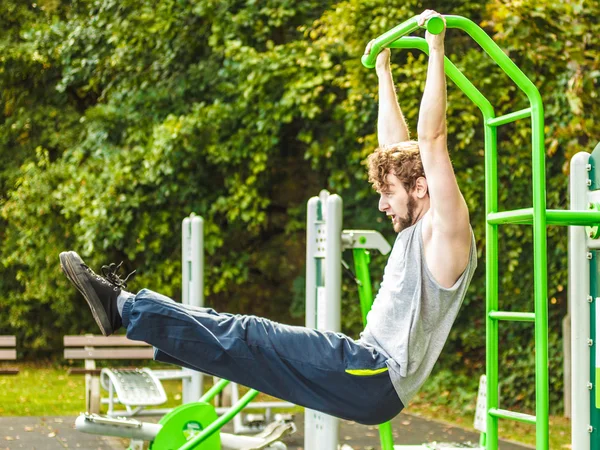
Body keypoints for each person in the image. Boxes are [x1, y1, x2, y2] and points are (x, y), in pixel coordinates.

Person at [59, 10, 476, 426]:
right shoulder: (418, 220)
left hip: (373, 375)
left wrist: (436, 45)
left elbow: (431, 140)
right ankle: (129, 312)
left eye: (388, 195)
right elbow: (396, 146)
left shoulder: (447, 231)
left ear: (421, 187)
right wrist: (384, 71)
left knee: (247, 334)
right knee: (237, 335)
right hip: (366, 374)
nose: (383, 205)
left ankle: (124, 308)